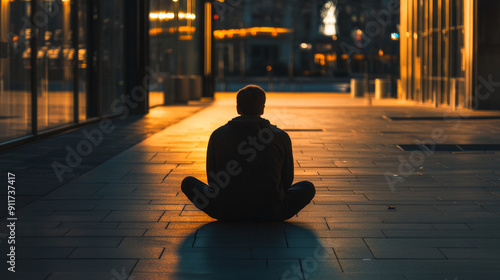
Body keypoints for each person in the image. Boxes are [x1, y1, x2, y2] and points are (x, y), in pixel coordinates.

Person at [181, 85, 315, 222]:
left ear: (238, 108)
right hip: (271, 211)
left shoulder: (218, 135)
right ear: (262, 108)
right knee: (307, 187)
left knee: (188, 182)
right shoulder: (280, 136)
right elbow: (287, 180)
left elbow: (212, 179)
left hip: (226, 211)